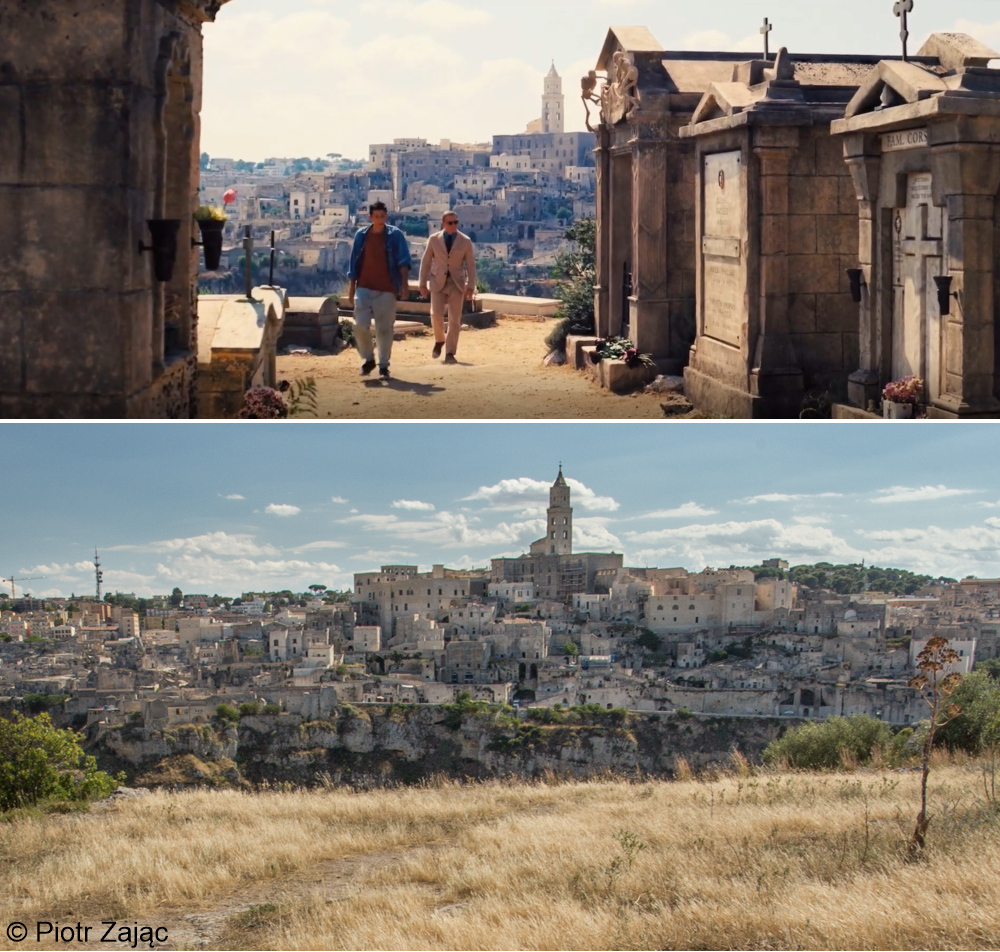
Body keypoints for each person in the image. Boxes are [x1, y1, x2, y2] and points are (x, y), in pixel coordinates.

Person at [348, 201, 412, 379]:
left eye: (382, 216)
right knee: (360, 325)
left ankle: (384, 365)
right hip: (364, 287)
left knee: (384, 329)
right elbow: (354, 263)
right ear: (370, 217)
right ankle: (368, 359)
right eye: (376, 216)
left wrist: (404, 286)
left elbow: (403, 261)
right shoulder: (361, 236)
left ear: (386, 216)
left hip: (387, 288)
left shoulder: (395, 235)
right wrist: (352, 288)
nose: (379, 219)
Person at [419, 212, 477, 364]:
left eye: (456, 222)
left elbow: (470, 265)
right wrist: (422, 284)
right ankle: (439, 340)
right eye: (450, 223)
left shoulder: (465, 241)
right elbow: (425, 263)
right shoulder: (434, 239)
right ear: (443, 223)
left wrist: (471, 286)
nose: (453, 225)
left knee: (454, 320)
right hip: (437, 281)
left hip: (456, 283)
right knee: (436, 314)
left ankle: (450, 352)